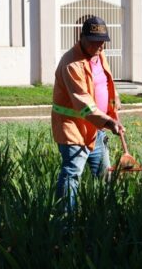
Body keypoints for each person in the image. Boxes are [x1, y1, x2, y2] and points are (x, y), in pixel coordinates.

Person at [52, 16, 125, 210]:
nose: (99, 46)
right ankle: (65, 220)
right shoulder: (72, 64)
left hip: (96, 128)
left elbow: (105, 81)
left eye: (102, 42)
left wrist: (114, 99)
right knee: (72, 173)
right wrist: (108, 122)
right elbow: (83, 103)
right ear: (81, 37)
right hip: (74, 128)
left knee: (104, 174)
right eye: (94, 42)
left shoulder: (99, 54)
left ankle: (105, 216)